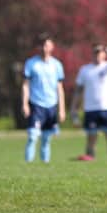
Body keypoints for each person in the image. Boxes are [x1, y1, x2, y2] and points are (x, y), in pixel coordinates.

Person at [70, 44, 107, 161]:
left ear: (104, 55)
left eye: (100, 52)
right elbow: (78, 91)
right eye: (95, 52)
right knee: (91, 138)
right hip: (90, 109)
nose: (97, 55)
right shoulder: (85, 70)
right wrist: (74, 108)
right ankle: (90, 161)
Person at [22, 33, 65, 163]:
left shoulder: (56, 65)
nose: (43, 47)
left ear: (52, 46)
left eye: (46, 45)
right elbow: (25, 85)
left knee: (46, 139)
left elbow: (59, 88)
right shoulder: (31, 63)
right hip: (36, 104)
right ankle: (28, 165)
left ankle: (44, 167)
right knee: (32, 136)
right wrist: (24, 104)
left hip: (51, 105)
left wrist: (62, 109)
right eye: (41, 45)